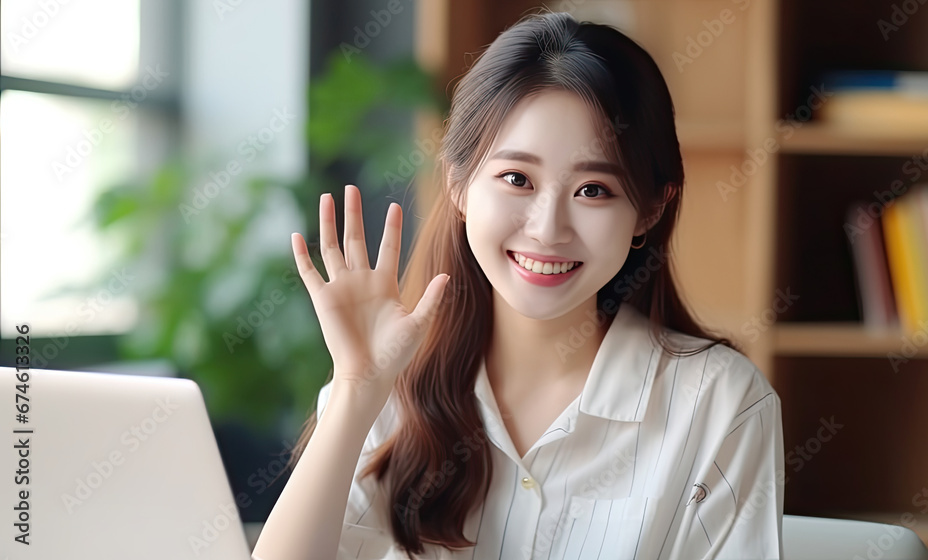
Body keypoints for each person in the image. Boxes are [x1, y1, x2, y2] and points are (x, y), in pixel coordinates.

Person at [252, 10, 784, 560]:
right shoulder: (387, 380)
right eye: (516, 179)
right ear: (457, 184)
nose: (548, 229)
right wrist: (356, 390)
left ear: (650, 209)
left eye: (594, 189)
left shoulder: (721, 402)